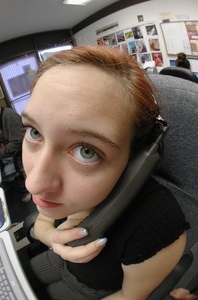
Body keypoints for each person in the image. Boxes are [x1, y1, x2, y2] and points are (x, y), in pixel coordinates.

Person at [21, 46, 189, 299]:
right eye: (34, 132)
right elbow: (43, 220)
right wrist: (52, 236)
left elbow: (129, 297)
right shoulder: (61, 189)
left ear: (135, 159)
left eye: (86, 151)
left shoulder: (158, 226)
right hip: (56, 259)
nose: (33, 184)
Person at [0, 96, 31, 202]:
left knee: (3, 174)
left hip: (23, 152)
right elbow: (7, 133)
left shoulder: (8, 115)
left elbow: (17, 142)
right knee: (0, 164)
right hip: (16, 151)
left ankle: (27, 191)